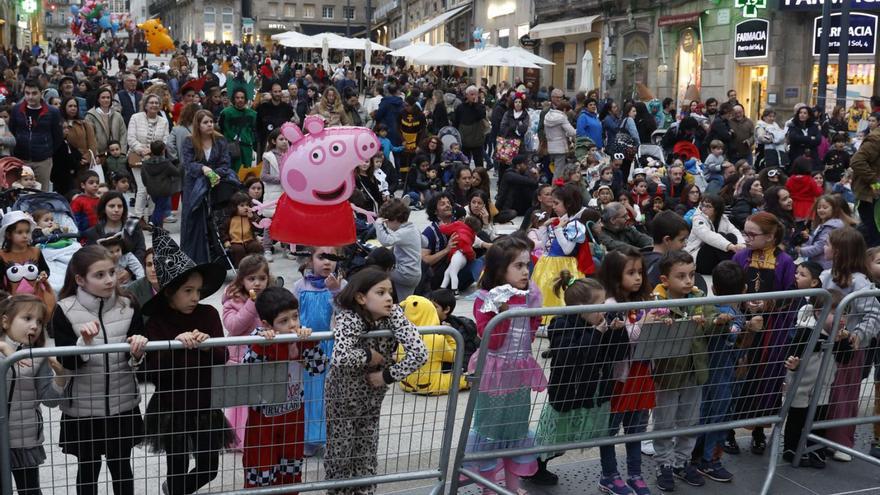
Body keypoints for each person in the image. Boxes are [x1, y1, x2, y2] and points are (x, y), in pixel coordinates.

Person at [142, 228, 232, 495]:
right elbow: (154, 369)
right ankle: (176, 488)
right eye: (187, 290)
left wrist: (206, 346)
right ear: (170, 293)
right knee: (177, 465)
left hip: (205, 403)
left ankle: (173, 490)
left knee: (209, 467)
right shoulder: (158, 322)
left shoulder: (208, 314)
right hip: (172, 406)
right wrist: (175, 344)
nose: (195, 297)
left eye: (198, 290)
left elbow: (223, 355)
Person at [52, 246, 148, 495]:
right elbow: (67, 362)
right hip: (83, 408)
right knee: (88, 468)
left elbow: (138, 360)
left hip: (122, 403)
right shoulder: (64, 309)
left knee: (121, 466)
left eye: (112, 272)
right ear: (80, 279)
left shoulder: (128, 305)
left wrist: (138, 352)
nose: (109, 280)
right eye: (100, 275)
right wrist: (83, 343)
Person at [324, 268, 428, 495]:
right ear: (361, 297)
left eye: (390, 292)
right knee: (340, 455)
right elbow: (341, 356)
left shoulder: (394, 315)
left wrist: (386, 375)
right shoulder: (349, 317)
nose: (389, 298)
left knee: (366, 455)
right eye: (380, 292)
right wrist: (370, 356)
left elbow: (420, 352)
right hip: (342, 400)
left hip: (371, 400)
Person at [465, 236, 546, 492]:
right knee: (490, 432)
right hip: (495, 372)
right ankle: (489, 487)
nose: (526, 271)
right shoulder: (486, 298)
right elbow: (494, 341)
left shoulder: (528, 294)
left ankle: (512, 485)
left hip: (518, 371)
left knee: (515, 430)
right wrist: (500, 311)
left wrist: (533, 316)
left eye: (527, 265)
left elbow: (532, 329)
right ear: (500, 270)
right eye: (519, 266)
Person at [532, 272, 627, 485]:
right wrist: (595, 334)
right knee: (554, 441)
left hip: (593, 392)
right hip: (567, 394)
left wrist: (617, 333)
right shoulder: (561, 324)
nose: (604, 308)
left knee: (578, 436)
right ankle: (535, 466)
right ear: (582, 307)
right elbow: (569, 355)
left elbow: (618, 355)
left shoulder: (604, 323)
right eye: (599, 303)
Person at [650, 250, 733, 491]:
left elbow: (709, 322)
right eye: (681, 276)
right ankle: (663, 464)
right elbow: (652, 336)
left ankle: (682, 461)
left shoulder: (698, 298)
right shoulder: (658, 303)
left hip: (694, 371)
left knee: (689, 420)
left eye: (692, 275)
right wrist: (668, 324)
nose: (689, 281)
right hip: (668, 374)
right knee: (665, 422)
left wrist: (719, 322)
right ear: (665, 280)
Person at [729, 212, 796, 455]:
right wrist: (744, 305)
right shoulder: (740, 257)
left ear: (769, 237)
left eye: (751, 234)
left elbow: (792, 297)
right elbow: (729, 288)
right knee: (737, 377)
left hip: (771, 332)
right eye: (745, 232)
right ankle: (728, 431)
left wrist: (768, 306)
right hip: (743, 328)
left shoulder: (785, 261)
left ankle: (758, 430)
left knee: (764, 381)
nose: (745, 238)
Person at [595, 248, 656, 495]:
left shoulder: (645, 300)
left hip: (642, 373)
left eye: (640, 271)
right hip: (618, 378)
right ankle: (609, 474)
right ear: (613, 276)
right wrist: (646, 324)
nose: (638, 278)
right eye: (631, 273)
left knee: (636, 427)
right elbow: (622, 340)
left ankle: (635, 473)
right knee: (610, 428)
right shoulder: (610, 305)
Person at [241, 286, 313, 488]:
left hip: (293, 418)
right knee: (261, 473)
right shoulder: (259, 340)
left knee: (290, 472)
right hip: (263, 423)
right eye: (284, 321)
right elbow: (246, 369)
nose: (293, 324)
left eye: (295, 317)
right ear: (266, 324)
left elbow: (319, 367)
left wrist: (309, 343)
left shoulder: (300, 339)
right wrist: (263, 345)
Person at [820, 227, 880, 461]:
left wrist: (857, 336)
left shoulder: (861, 283)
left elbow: (873, 315)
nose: (823, 248)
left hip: (848, 350)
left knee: (844, 394)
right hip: (823, 344)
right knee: (823, 392)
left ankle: (842, 442)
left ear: (839, 252)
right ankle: (819, 434)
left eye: (828, 244)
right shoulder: (825, 276)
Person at [0, 294, 67, 493]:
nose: (34, 326)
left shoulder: (38, 357)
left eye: (39, 321)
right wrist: (5, 349)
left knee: (30, 490)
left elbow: (50, 400)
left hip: (25, 438)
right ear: (5, 321)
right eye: (27, 318)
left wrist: (60, 376)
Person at [782, 290, 844, 468]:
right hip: (801, 385)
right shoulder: (805, 331)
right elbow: (792, 351)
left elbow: (844, 358)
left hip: (824, 385)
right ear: (819, 313)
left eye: (844, 313)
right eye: (835, 313)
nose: (841, 318)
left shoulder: (839, 333)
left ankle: (816, 449)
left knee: (819, 418)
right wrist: (793, 363)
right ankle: (790, 449)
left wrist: (844, 342)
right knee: (797, 417)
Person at [293, 246, 345, 456]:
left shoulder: (341, 285)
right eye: (321, 257)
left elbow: (346, 314)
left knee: (328, 394)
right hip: (306, 348)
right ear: (309, 260)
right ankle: (307, 438)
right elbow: (291, 314)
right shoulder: (299, 286)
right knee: (308, 393)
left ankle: (327, 436)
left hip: (330, 347)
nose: (327, 262)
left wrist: (335, 291)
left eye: (332, 257)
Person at [220, 254, 271, 450]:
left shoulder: (270, 299)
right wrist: (251, 303)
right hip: (240, 360)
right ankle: (239, 439)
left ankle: (259, 435)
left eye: (262, 278)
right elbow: (234, 326)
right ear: (241, 279)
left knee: (260, 401)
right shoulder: (232, 301)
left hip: (263, 360)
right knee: (241, 405)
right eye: (251, 278)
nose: (257, 283)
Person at [180, 109, 235, 265]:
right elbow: (189, 165)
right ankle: (194, 260)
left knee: (216, 221)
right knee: (194, 221)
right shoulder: (189, 141)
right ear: (198, 124)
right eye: (205, 122)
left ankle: (219, 260)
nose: (210, 125)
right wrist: (203, 169)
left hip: (217, 184)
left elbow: (226, 163)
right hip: (194, 187)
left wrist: (215, 174)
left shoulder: (221, 140)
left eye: (211, 121)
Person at [532, 185, 592, 320]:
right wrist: (544, 227)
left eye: (556, 203)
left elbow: (567, 249)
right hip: (547, 264)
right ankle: (542, 320)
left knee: (561, 295)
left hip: (564, 266)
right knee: (546, 293)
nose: (553, 206)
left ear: (569, 203)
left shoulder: (574, 225)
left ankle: (562, 321)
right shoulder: (557, 221)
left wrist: (558, 229)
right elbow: (544, 244)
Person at [9, 79, 63, 192]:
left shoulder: (52, 112)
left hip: (42, 161)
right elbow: (12, 131)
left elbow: (58, 136)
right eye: (27, 93)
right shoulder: (16, 110)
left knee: (41, 193)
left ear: (41, 93)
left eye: (34, 93)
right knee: (20, 193)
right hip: (21, 159)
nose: (30, 97)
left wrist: (47, 151)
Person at [128, 93, 171, 225]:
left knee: (154, 189)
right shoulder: (135, 117)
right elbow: (131, 138)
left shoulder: (163, 121)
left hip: (156, 160)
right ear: (145, 105)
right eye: (151, 102)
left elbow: (165, 140)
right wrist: (142, 150)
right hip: (137, 158)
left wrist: (152, 151)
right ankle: (138, 218)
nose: (154, 105)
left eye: (156, 103)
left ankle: (153, 218)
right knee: (142, 188)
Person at [685, 194, 745, 275]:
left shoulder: (723, 219)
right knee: (719, 238)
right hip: (698, 259)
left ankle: (731, 267)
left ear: (717, 209)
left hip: (715, 259)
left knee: (731, 236)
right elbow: (708, 236)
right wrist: (730, 246)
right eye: (703, 205)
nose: (704, 209)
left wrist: (741, 244)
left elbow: (735, 231)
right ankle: (733, 269)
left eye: (708, 206)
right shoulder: (698, 218)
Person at [82, 192, 148, 264]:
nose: (116, 210)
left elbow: (140, 250)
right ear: (104, 209)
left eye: (120, 206)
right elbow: (91, 257)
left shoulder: (133, 225)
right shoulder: (94, 232)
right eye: (111, 206)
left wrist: (128, 271)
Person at [375, 199, 422, 299]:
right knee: (405, 300)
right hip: (414, 272)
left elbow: (386, 241)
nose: (386, 226)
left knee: (376, 272)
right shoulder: (413, 228)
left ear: (395, 219)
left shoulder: (403, 232)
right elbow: (425, 242)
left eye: (386, 223)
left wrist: (378, 224)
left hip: (405, 273)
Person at [796, 195, 854, 269]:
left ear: (834, 209)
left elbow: (819, 247)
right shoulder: (824, 224)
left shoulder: (830, 227)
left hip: (824, 265)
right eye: (819, 207)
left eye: (825, 207)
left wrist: (799, 251)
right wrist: (808, 238)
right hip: (820, 262)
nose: (821, 210)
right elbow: (818, 241)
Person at [850, 123, 880, 247]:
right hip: (870, 196)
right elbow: (857, 161)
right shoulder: (876, 139)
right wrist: (875, 183)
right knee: (874, 234)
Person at [140, 140, 180, 230]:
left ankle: (159, 227)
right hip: (164, 189)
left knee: (159, 207)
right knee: (160, 208)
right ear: (163, 151)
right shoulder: (166, 163)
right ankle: (152, 223)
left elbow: (143, 176)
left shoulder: (145, 164)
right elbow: (176, 173)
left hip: (151, 189)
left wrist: (147, 185)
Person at [218, 88, 258, 173]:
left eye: (242, 97)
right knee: (234, 172)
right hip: (232, 147)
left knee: (246, 172)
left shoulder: (253, 114)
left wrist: (252, 140)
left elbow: (255, 130)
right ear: (233, 99)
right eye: (237, 97)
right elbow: (221, 129)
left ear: (246, 99)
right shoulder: (226, 113)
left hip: (247, 147)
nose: (240, 100)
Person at [85, 86, 128, 164]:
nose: (106, 100)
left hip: (117, 154)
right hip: (100, 155)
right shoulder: (90, 116)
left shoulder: (117, 115)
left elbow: (123, 134)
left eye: (108, 97)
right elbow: (90, 137)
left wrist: (122, 152)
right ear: (98, 99)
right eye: (103, 97)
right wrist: (96, 154)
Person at [221, 192, 262, 268]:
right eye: (242, 205)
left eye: (247, 205)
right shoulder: (230, 219)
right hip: (235, 242)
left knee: (256, 246)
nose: (245, 207)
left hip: (249, 240)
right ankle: (241, 267)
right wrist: (226, 240)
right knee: (238, 250)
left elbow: (259, 226)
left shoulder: (250, 216)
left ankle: (255, 265)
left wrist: (252, 217)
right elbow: (223, 231)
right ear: (234, 207)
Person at [256, 82, 296, 158]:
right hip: (267, 143)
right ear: (271, 92)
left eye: (279, 91)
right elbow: (258, 126)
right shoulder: (263, 107)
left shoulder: (287, 108)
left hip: (283, 144)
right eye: (275, 92)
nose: (278, 94)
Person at [452, 85, 488, 168]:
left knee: (479, 164)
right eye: (471, 94)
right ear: (466, 95)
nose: (474, 96)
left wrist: (476, 105)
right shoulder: (461, 107)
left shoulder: (480, 106)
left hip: (477, 140)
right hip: (464, 141)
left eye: (475, 94)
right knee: (464, 164)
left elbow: (482, 115)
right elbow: (456, 122)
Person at [545, 101, 576, 179]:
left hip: (550, 146)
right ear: (564, 109)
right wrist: (580, 130)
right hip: (560, 147)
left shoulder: (548, 116)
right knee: (559, 172)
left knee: (555, 170)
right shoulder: (562, 117)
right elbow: (572, 132)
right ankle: (556, 189)